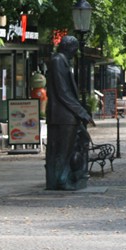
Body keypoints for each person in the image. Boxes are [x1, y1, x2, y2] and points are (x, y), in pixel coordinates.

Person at [46, 35, 94, 191]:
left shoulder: (61, 61)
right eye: (74, 49)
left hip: (66, 115)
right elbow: (63, 92)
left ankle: (65, 177)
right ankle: (61, 179)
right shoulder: (58, 61)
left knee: (71, 147)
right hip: (63, 116)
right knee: (62, 150)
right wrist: (82, 113)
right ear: (69, 47)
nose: (75, 52)